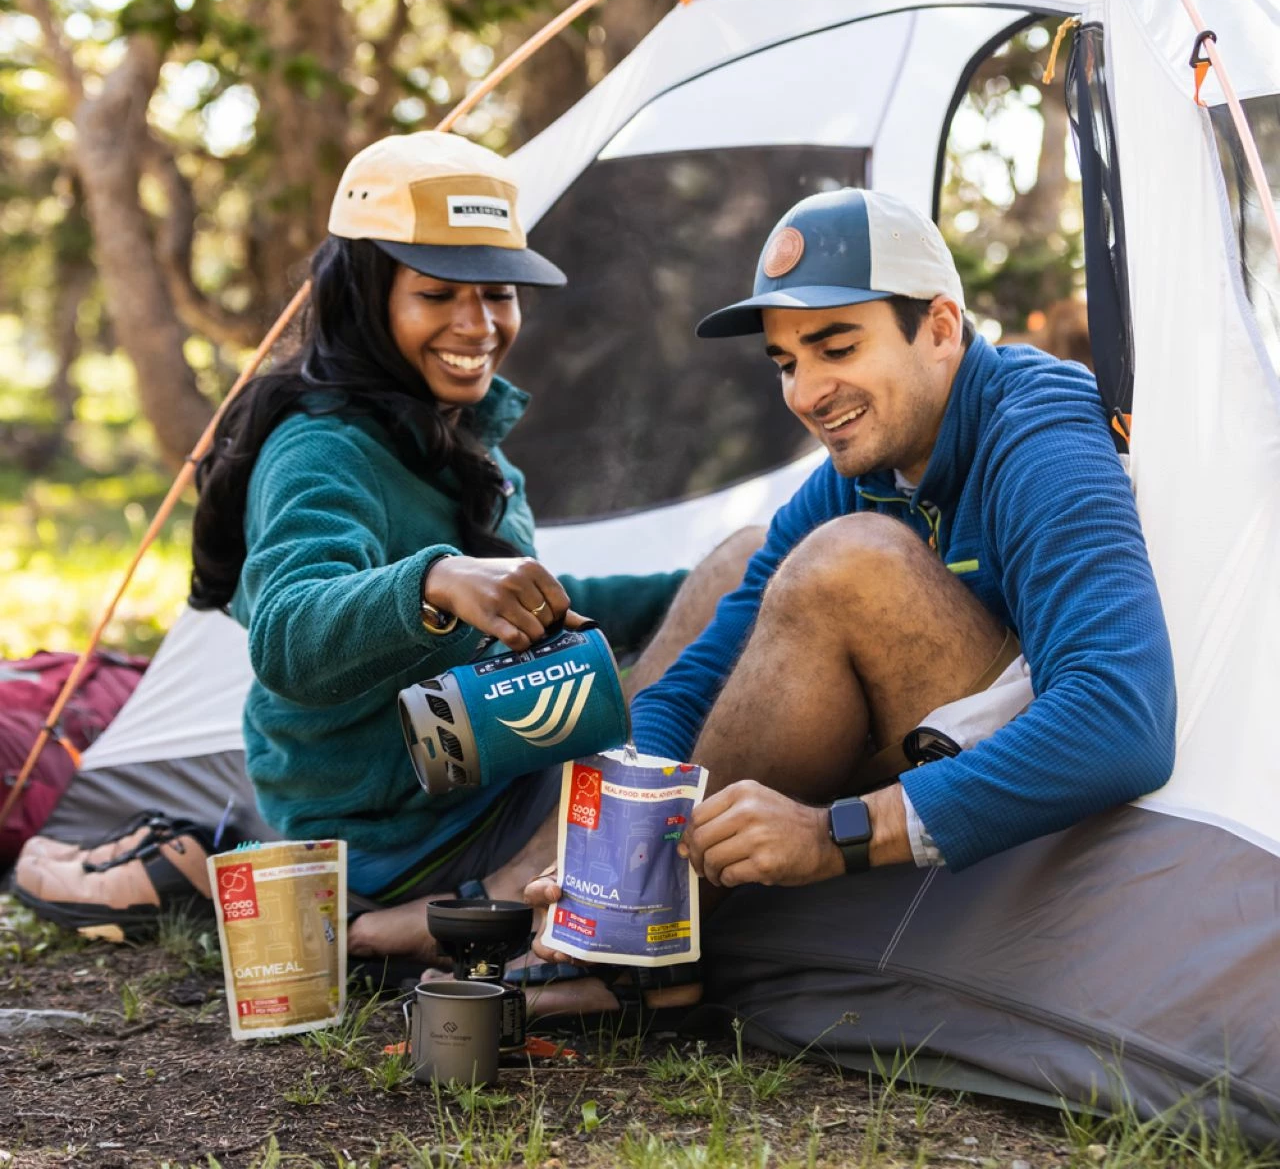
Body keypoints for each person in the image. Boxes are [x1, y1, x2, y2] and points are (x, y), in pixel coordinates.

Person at [528, 187, 1175, 996]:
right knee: (745, 558)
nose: (804, 393)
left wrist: (834, 834)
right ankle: (627, 922)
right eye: (788, 363)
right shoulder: (869, 467)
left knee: (848, 562)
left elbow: (1122, 722)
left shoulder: (1039, 437)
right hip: (941, 761)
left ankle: (647, 945)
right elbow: (700, 674)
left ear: (941, 328)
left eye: (837, 348)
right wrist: (612, 842)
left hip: (1052, 824)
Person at [183, 131, 759, 962]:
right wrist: (436, 580)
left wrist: (701, 589)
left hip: (482, 768)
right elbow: (286, 632)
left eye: (498, 294)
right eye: (439, 295)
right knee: (719, 702)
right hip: (404, 828)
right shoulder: (324, 447)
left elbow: (530, 596)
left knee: (743, 570)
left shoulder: (453, 431)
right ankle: (478, 906)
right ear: (367, 296)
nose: (478, 324)